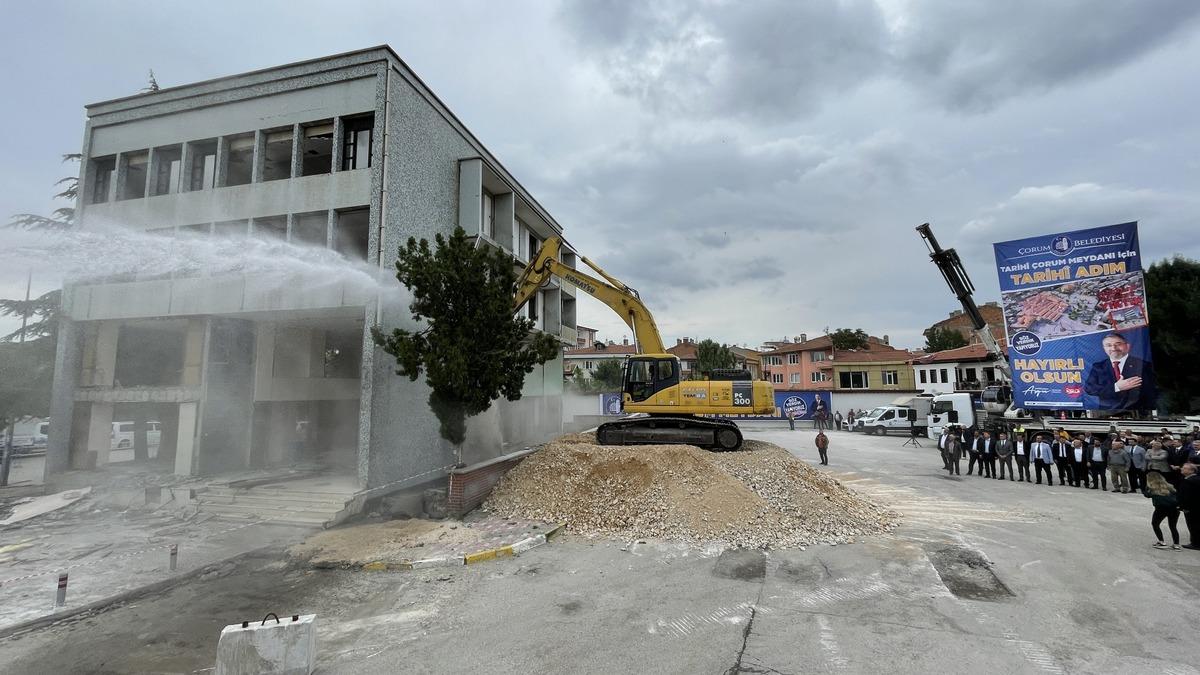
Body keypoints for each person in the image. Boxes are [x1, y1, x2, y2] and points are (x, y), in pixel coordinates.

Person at [1083, 332, 1157, 410]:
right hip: (1107, 414)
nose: (1113, 348)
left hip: (1138, 414)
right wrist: (1117, 387)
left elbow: (1151, 391)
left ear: (1127, 346)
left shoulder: (1143, 365)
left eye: (1118, 344)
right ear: (1104, 348)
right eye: (1109, 345)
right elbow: (1089, 389)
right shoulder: (1098, 367)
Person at [1143, 471, 1182, 550]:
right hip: (1174, 508)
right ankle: (1176, 544)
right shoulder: (1169, 486)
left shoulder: (1152, 488)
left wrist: (1146, 487)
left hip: (1161, 508)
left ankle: (1161, 541)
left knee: (1155, 524)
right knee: (1173, 526)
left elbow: (1147, 495)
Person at [1178, 464, 1200, 550]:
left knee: (1193, 525)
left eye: (1185, 468)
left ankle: (1196, 543)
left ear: (1191, 471)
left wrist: (1183, 507)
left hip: (1191, 508)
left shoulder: (1189, 481)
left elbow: (1187, 496)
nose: (1182, 469)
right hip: (1196, 506)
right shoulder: (1196, 479)